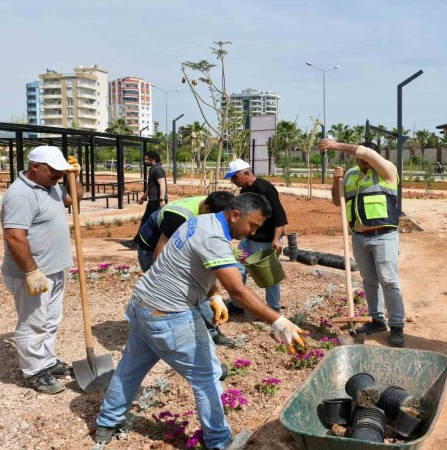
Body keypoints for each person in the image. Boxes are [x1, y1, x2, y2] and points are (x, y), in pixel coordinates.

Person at [94, 193, 305, 449]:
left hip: (142, 305)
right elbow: (238, 292)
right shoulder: (215, 238)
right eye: (252, 225)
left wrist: (212, 294)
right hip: (169, 315)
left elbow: (191, 264)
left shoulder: (200, 221)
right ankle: (219, 441)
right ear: (235, 214)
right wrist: (280, 321)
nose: (251, 232)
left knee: (130, 368)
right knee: (207, 377)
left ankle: (106, 423)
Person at [0, 146, 81, 394]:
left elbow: (74, 199)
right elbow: (14, 236)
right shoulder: (21, 195)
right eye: (55, 173)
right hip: (32, 272)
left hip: (53, 268)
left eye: (61, 173)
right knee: (33, 323)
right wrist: (31, 272)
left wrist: (74, 177)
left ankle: (47, 361)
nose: (58, 177)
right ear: (36, 167)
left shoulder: (52, 186)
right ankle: (34, 371)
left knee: (50, 319)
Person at [318, 139, 407, 348]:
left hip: (384, 236)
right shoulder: (351, 175)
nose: (362, 163)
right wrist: (335, 182)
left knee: (389, 280)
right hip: (359, 237)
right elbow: (337, 201)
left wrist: (335, 145)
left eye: (365, 159)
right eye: (359, 160)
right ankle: (376, 320)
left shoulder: (387, 172)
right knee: (369, 281)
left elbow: (368, 154)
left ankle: (397, 325)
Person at [135, 191, 236, 347]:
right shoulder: (179, 217)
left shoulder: (211, 207)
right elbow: (159, 255)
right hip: (151, 248)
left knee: (196, 289)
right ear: (207, 208)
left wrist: (214, 294)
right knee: (169, 292)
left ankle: (209, 333)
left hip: (179, 246)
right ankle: (161, 333)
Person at [224, 159, 288, 312]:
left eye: (235, 177)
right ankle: (237, 304)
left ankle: (273, 308)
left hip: (266, 240)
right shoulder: (244, 192)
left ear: (246, 173)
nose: (233, 181)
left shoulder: (266, 189)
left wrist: (276, 239)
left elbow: (279, 215)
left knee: (268, 275)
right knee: (237, 268)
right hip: (248, 239)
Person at [122, 150, 166, 249]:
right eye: (145, 159)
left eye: (147, 159)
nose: (145, 161)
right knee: (152, 221)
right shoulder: (154, 169)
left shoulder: (157, 169)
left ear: (153, 159)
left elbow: (162, 184)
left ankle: (137, 243)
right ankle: (146, 242)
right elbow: (151, 187)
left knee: (146, 221)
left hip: (156, 201)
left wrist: (161, 199)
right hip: (153, 200)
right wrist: (144, 197)